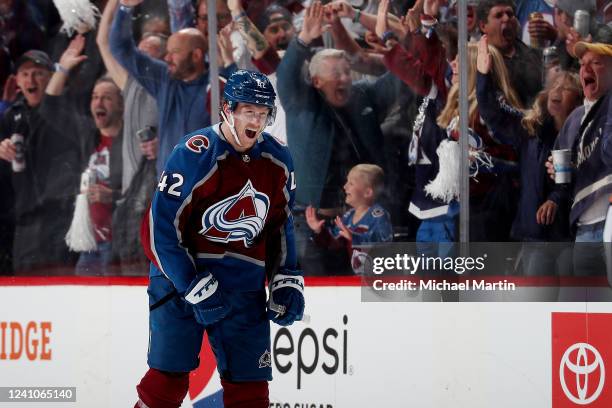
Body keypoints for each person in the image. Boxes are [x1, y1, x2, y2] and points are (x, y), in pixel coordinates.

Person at [137, 70, 305, 408]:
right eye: (249, 111)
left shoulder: (278, 159)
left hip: (243, 286)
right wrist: (189, 283)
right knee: (166, 384)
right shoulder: (195, 152)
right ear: (227, 110)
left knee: (250, 389)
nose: (256, 120)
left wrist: (286, 278)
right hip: (179, 282)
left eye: (262, 113)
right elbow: (159, 228)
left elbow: (280, 225)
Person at [110, 0, 236, 175]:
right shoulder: (165, 79)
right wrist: (125, 8)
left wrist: (228, 67)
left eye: (175, 52)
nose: (167, 58)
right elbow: (120, 49)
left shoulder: (216, 85)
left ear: (197, 55)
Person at [0, 49, 82, 273]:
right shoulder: (12, 116)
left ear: (51, 76)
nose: (31, 79)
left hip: (59, 218)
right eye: (25, 74)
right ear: (16, 80)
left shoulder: (66, 109)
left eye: (37, 73)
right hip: (24, 220)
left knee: (60, 287)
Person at [547, 41, 612, 275]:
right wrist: (557, 173)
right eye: (583, 64)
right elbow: (561, 168)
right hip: (583, 228)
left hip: (609, 222)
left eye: (596, 63)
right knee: (590, 307)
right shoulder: (574, 118)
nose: (586, 69)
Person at [305, 164, 393, 274]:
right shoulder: (348, 217)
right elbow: (334, 243)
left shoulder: (379, 217)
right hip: (348, 278)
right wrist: (319, 231)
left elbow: (383, 247)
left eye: (351, 183)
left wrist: (353, 238)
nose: (345, 187)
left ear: (367, 192)